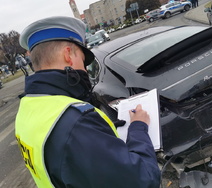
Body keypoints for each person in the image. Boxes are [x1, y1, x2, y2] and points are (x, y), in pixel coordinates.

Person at [15, 16, 161, 188]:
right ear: (68, 55)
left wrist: (100, 133)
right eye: (83, 61)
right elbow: (143, 180)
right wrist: (138, 126)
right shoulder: (77, 123)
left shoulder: (27, 108)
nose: (84, 69)